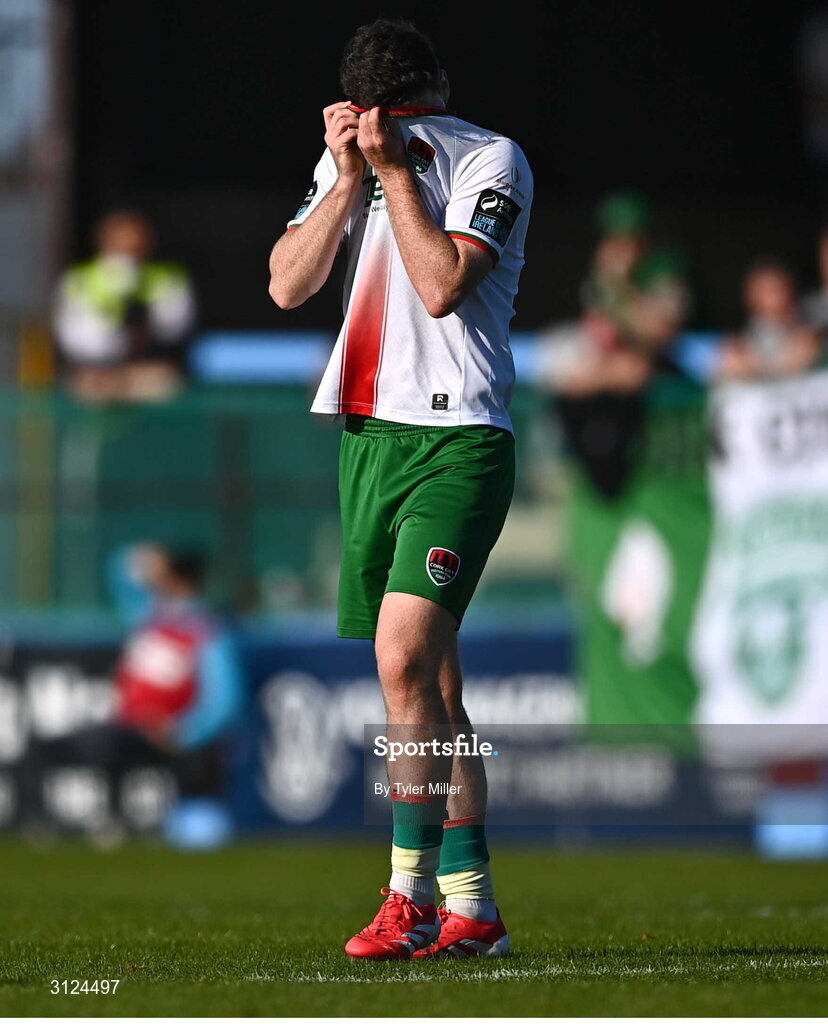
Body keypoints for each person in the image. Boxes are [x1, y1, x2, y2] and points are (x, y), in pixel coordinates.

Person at [268, 18, 532, 959]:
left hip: (458, 439)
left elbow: (442, 286)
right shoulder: (347, 167)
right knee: (436, 690)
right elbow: (288, 287)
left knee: (401, 664)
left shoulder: (488, 160)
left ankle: (407, 894)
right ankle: (476, 908)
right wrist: (344, 181)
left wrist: (391, 175)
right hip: (370, 441)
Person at [24, 544, 243, 839]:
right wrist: (147, 558)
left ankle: (181, 822)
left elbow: (224, 701)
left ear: (181, 581)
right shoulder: (149, 617)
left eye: (165, 577)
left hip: (177, 737)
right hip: (132, 727)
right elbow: (119, 575)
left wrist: (183, 731)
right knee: (54, 746)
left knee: (200, 820)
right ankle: (70, 823)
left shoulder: (205, 631)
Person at [53, 210, 195, 402]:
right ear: (104, 245)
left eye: (136, 248)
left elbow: (174, 328)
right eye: (120, 248)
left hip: (148, 372)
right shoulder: (79, 281)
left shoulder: (166, 279)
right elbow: (73, 338)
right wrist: (114, 324)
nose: (128, 257)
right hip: (95, 375)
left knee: (164, 382)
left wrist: (143, 311)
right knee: (92, 386)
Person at [719, 260, 821, 380]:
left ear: (789, 290)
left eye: (776, 288)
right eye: (762, 289)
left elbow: (801, 361)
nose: (770, 296)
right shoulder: (738, 344)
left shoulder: (808, 334)